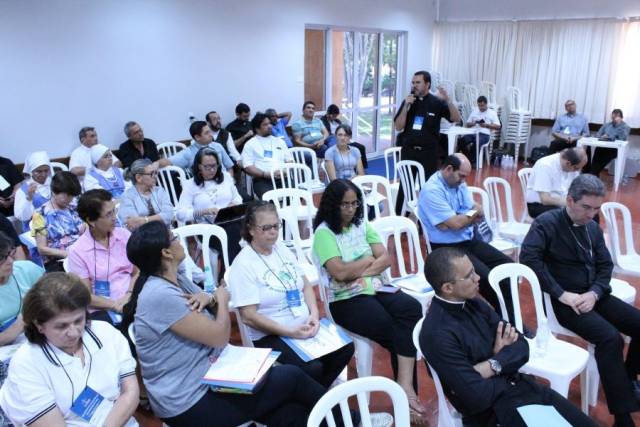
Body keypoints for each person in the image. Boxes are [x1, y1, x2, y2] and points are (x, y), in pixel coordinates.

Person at [122, 221, 326, 427]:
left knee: (291, 413)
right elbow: (220, 336)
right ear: (166, 252)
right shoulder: (159, 295)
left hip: (213, 374)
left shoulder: (176, 279)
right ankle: (351, 418)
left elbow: (213, 301)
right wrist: (219, 298)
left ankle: (345, 418)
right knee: (292, 377)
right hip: (188, 399)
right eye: (174, 237)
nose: (180, 241)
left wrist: (210, 298)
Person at [420, 247, 597, 427]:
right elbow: (476, 396)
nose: (477, 277)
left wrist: (491, 365)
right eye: (469, 275)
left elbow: (521, 346)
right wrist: (503, 360)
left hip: (525, 389)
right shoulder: (436, 334)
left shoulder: (475, 304)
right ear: (448, 287)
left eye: (474, 270)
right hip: (495, 412)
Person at [520, 174, 640, 426]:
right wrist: (562, 294)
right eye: (586, 207)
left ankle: (626, 381)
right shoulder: (546, 223)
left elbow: (605, 265)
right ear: (570, 200)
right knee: (610, 338)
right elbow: (529, 261)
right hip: (563, 301)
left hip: (592, 294)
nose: (592, 214)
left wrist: (594, 292)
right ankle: (622, 415)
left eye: (596, 209)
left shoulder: (592, 227)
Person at [312, 179, 425, 423]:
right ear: (333, 206)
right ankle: (407, 394)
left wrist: (360, 269)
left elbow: (385, 257)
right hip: (344, 299)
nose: (351, 209)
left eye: (354, 204)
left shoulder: (362, 224)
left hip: (375, 286)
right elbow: (339, 274)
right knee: (391, 327)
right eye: (345, 205)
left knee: (411, 308)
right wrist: (365, 261)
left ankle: (405, 387)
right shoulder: (324, 233)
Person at [229, 201, 355, 388]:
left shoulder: (281, 249)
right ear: (251, 230)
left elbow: (304, 285)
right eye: (266, 228)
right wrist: (290, 332)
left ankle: (314, 396)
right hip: (271, 334)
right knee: (312, 367)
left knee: (346, 347)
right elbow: (248, 317)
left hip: (301, 324)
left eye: (276, 226)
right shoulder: (243, 264)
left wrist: (313, 315)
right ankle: (317, 400)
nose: (273, 232)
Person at [0, 272, 139, 427]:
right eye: (61, 326)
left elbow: (130, 392)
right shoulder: (26, 363)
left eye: (79, 320)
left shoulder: (105, 333)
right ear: (39, 325)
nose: (74, 333)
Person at [417, 154, 514, 321]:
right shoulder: (432, 190)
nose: (463, 180)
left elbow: (473, 211)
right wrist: (461, 218)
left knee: (508, 268)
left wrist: (461, 219)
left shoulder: (458, 183)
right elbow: (456, 223)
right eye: (461, 175)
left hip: (468, 240)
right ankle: (503, 322)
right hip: (446, 249)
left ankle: (509, 318)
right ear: (448, 169)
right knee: (487, 279)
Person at [393, 70, 461, 214]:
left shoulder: (436, 102)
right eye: (413, 82)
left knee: (427, 187)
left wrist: (448, 100)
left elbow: (456, 118)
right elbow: (398, 126)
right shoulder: (408, 101)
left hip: (429, 153)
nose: (414, 85)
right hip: (409, 151)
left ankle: (423, 222)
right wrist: (406, 106)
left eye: (418, 82)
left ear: (427, 84)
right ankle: (399, 216)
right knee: (404, 185)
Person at [68, 189, 138, 324]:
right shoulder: (78, 251)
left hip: (132, 295)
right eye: (108, 214)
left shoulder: (123, 235)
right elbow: (86, 295)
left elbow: (138, 271)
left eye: (114, 211)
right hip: (102, 308)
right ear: (91, 221)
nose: (114, 218)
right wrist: (115, 305)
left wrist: (129, 294)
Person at [177, 148, 243, 262]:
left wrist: (233, 204)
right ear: (199, 166)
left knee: (240, 230)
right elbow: (180, 214)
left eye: (214, 165)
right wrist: (204, 211)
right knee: (234, 235)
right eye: (207, 167)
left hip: (229, 220)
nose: (212, 170)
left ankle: (226, 274)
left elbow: (238, 198)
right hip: (207, 227)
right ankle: (226, 275)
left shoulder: (226, 177)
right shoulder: (190, 185)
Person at [31, 172, 84, 272]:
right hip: (58, 261)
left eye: (71, 196)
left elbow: (84, 231)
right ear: (54, 191)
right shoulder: (40, 214)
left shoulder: (74, 208)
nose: (69, 199)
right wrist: (68, 254)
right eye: (66, 195)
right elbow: (42, 249)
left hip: (81, 253)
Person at [0, 231, 43, 345]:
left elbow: (60, 300)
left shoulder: (27, 269)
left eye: (11, 253)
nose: (10, 261)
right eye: (1, 258)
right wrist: (21, 322)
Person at [241, 113, 293, 199]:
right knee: (270, 199)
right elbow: (248, 166)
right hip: (263, 180)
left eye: (269, 123)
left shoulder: (279, 141)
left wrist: (284, 171)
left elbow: (290, 161)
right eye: (265, 124)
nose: (269, 126)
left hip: (283, 178)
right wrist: (265, 174)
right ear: (257, 128)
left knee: (298, 194)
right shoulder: (250, 144)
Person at [525, 147, 587, 218]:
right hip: (538, 205)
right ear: (568, 163)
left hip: (559, 202)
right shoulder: (545, 166)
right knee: (569, 216)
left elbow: (576, 189)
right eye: (576, 168)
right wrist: (568, 203)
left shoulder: (571, 166)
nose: (577, 171)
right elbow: (545, 200)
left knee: (589, 213)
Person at [156, 121, 234, 175]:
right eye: (207, 133)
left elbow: (229, 167)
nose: (211, 135)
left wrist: (231, 182)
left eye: (210, 131)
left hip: (224, 183)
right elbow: (168, 161)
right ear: (197, 137)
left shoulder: (218, 146)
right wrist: (154, 165)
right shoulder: (189, 152)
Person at [118, 159, 174, 231]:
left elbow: (169, 215)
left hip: (165, 233)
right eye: (151, 174)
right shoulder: (127, 196)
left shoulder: (159, 191)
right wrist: (160, 217)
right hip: (142, 238)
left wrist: (144, 220)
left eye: (156, 173)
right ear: (138, 178)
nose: (155, 176)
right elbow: (133, 224)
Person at [585, 109, 631, 176]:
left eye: (617, 117)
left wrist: (610, 136)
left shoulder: (625, 127)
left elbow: (622, 138)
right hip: (603, 146)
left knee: (603, 157)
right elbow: (598, 135)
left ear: (621, 118)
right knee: (598, 150)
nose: (615, 119)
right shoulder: (607, 125)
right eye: (613, 117)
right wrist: (602, 136)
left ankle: (593, 174)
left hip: (614, 149)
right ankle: (594, 174)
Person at [320, 105, 368, 169]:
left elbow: (343, 129)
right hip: (334, 140)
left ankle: (363, 168)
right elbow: (327, 134)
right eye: (334, 115)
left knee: (361, 147)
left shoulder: (337, 121)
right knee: (350, 151)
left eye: (336, 115)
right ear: (330, 114)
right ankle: (351, 168)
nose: (335, 117)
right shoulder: (322, 121)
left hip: (344, 138)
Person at [13, 151, 52, 226]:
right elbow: (23, 217)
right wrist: (29, 198)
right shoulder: (23, 191)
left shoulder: (54, 183)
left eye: (46, 170)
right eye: (39, 171)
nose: (43, 174)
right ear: (31, 171)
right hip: (33, 230)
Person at [461, 96, 501, 165]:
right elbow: (467, 124)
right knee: (462, 140)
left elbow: (498, 126)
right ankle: (469, 158)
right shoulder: (475, 111)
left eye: (482, 106)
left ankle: (472, 162)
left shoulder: (492, 113)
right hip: (473, 132)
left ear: (486, 104)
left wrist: (486, 125)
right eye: (479, 106)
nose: (481, 108)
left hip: (484, 134)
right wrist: (474, 123)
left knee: (477, 141)